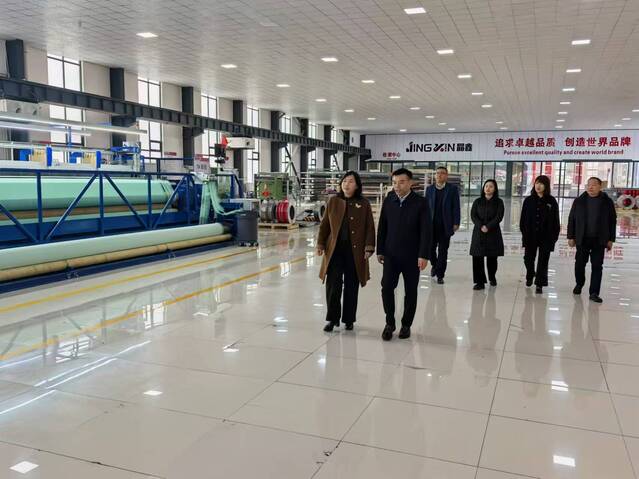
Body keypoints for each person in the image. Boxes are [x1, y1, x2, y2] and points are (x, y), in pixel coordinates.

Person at [317, 171, 376, 331]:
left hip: (354, 251)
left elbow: (370, 227)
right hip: (335, 251)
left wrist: (369, 247)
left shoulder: (363, 203)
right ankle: (332, 318)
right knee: (333, 285)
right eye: (344, 181)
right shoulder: (333, 201)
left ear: (357, 185)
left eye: (350, 181)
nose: (346, 184)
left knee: (351, 286)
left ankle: (349, 319)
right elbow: (325, 225)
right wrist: (320, 244)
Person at [377, 168, 431, 341]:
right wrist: (380, 250)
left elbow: (426, 231)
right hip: (391, 255)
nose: (397, 186)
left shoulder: (420, 203)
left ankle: (406, 324)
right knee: (387, 287)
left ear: (410, 183)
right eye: (394, 182)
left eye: (401, 182)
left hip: (412, 256)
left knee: (410, 291)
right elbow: (382, 226)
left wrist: (423, 255)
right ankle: (389, 323)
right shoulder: (389, 200)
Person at [567, 177, 617, 303]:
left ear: (600, 187)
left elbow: (612, 221)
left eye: (594, 185)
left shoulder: (607, 202)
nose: (591, 187)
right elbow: (572, 219)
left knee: (597, 266)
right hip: (582, 238)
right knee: (579, 264)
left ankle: (594, 292)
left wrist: (611, 239)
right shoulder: (579, 201)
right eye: (589, 184)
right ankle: (579, 283)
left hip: (599, 239)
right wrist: (571, 236)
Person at [519, 175, 560, 294]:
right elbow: (523, 219)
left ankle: (539, 284)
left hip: (546, 236)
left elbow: (556, 220)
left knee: (543, 261)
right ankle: (530, 274)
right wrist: (524, 232)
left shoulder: (551, 201)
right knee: (528, 259)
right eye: (537, 183)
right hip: (530, 235)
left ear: (546, 186)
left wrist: (554, 237)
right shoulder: (528, 200)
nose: (538, 186)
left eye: (541, 184)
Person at [424, 166, 461, 284]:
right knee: (430, 249)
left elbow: (456, 207)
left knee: (443, 251)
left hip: (446, 225)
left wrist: (456, 222)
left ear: (446, 176)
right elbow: (425, 207)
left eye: (442, 173)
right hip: (431, 225)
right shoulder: (429, 189)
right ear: (435, 175)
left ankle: (440, 275)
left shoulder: (452, 189)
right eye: (438, 173)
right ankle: (435, 265)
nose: (439, 175)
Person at [470, 179, 505, 290]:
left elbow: (499, 217)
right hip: (479, 232)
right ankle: (479, 282)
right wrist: (481, 226)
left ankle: (492, 277)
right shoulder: (477, 201)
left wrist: (488, 226)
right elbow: (473, 215)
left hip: (493, 232)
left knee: (492, 258)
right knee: (477, 257)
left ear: (495, 189)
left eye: (491, 186)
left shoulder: (499, 202)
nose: (488, 188)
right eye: (486, 186)